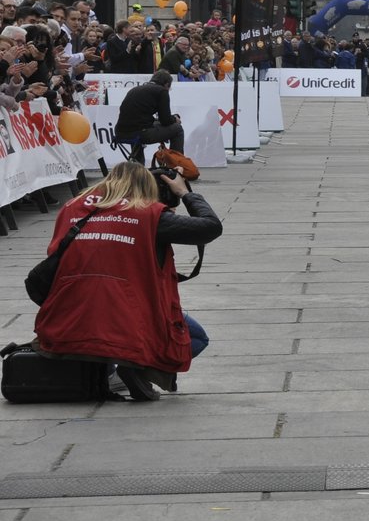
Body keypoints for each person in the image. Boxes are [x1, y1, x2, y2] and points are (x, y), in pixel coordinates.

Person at [26, 160, 222, 400]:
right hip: (127, 312)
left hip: (68, 314)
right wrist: (183, 192)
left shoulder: (71, 207)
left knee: (102, 313)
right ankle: (134, 369)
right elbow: (210, 226)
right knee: (197, 337)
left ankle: (107, 371)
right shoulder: (148, 215)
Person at [114, 70, 184, 156]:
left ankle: (138, 165)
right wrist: (174, 118)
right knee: (177, 129)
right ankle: (176, 164)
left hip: (120, 132)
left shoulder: (135, 89)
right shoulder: (162, 91)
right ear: (166, 84)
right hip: (140, 133)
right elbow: (165, 121)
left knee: (139, 126)